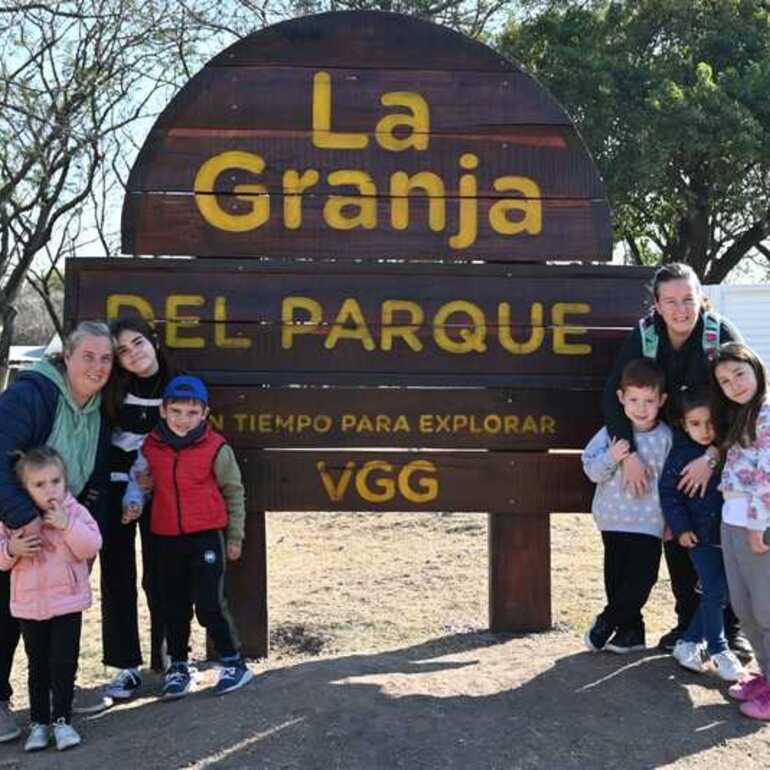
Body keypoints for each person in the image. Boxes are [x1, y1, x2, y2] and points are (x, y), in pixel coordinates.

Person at [602, 262, 749, 658]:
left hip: (717, 446)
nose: (681, 309)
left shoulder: (720, 334)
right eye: (671, 301)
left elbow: (743, 400)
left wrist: (715, 455)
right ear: (657, 304)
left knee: (719, 536)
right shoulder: (645, 335)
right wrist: (627, 454)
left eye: (688, 299)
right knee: (679, 530)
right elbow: (613, 395)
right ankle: (688, 624)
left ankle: (729, 631)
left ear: (700, 297)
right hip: (670, 446)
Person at [0, 321, 113, 743]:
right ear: (66, 356)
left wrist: (81, 523)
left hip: (64, 528)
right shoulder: (33, 394)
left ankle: (57, 697)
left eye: (105, 358)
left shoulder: (99, 406)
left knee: (59, 617)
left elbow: (96, 471)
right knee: (9, 613)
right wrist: (20, 518)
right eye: (88, 356)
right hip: (17, 524)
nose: (97, 366)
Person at [123, 374, 252, 699]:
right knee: (173, 606)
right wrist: (137, 497)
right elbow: (139, 481)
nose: (184, 419)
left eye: (192, 413)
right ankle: (179, 666)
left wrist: (235, 536)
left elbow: (233, 492)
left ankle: (234, 662)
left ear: (204, 414)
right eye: (177, 411)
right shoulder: (151, 446)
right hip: (166, 537)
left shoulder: (215, 448)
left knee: (209, 604)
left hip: (207, 536)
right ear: (164, 411)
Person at [0, 448, 102, 751]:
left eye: (55, 481)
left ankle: (62, 721)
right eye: (39, 485)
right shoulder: (13, 518)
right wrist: (11, 550)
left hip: (67, 602)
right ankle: (39, 723)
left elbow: (91, 545)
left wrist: (66, 525)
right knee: (37, 665)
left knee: (63, 662)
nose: (50, 490)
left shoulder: (74, 512)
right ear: (24, 487)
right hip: (28, 607)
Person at [98, 315, 174, 703]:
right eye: (123, 351)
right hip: (115, 490)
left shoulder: (177, 384)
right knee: (117, 575)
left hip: (162, 490)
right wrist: (127, 477)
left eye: (138, 343)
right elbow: (105, 441)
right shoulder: (113, 388)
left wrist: (154, 476)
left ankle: (170, 658)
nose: (133, 355)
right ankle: (125, 666)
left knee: (161, 574)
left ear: (154, 340)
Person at [583, 358, 672, 653]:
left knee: (642, 579)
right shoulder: (612, 433)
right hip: (612, 519)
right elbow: (592, 470)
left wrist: (673, 519)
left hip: (650, 521)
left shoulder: (667, 437)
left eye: (649, 400)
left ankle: (607, 621)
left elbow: (672, 484)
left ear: (662, 400)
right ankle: (632, 633)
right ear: (620, 399)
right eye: (633, 399)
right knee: (616, 579)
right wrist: (613, 456)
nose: (641, 408)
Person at [659, 389, 744, 681]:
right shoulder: (680, 456)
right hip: (700, 537)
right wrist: (681, 528)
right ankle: (719, 649)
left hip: (731, 536)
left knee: (723, 591)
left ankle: (689, 642)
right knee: (713, 588)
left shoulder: (728, 450)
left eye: (710, 423)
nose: (705, 431)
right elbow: (670, 495)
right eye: (695, 424)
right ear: (684, 424)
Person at [711, 343, 770, 719]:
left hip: (756, 526)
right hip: (731, 521)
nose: (733, 384)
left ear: (757, 370)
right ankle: (765, 676)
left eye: (739, 374)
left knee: (766, 609)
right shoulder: (739, 417)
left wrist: (759, 525)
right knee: (745, 607)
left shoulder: (766, 414)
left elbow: (767, 475)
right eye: (724, 380)